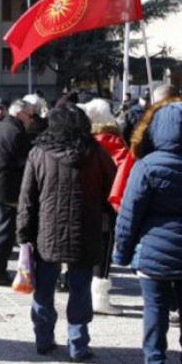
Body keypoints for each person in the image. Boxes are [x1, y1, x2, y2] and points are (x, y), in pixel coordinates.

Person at [114, 101, 182, 364]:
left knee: (155, 309)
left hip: (155, 250)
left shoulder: (147, 166)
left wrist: (123, 251)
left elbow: (130, 214)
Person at [17, 105, 116, 362]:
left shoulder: (39, 153)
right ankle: (78, 343)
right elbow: (111, 190)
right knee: (80, 290)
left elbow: (27, 198)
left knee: (44, 289)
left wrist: (23, 233)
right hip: (86, 230)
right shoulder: (96, 154)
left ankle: (43, 338)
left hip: (47, 232)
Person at [77, 98, 129, 316]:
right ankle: (99, 297)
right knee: (104, 252)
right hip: (106, 206)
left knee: (84, 251)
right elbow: (124, 174)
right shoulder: (115, 143)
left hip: (81, 203)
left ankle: (82, 295)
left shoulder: (81, 143)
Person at [0, 99, 33, 286]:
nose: (31, 120)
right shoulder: (17, 132)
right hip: (7, 189)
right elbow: (25, 163)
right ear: (19, 114)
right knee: (4, 232)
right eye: (30, 115)